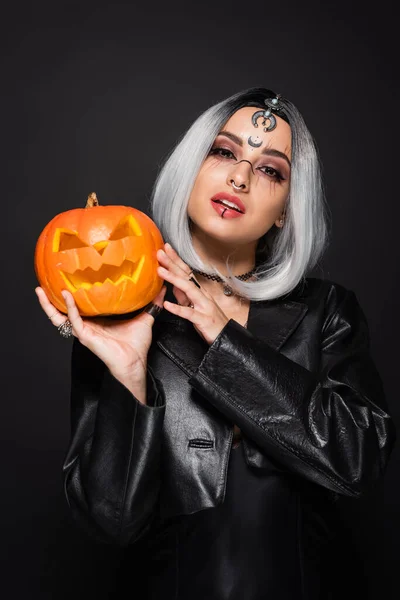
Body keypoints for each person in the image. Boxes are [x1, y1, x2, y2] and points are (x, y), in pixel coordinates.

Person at [35, 87, 396, 599]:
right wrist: (129, 374)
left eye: (270, 170)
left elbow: (358, 461)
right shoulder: (114, 308)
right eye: (224, 152)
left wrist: (224, 339)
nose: (240, 177)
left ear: (284, 212)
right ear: (191, 168)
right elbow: (110, 523)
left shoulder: (327, 312)